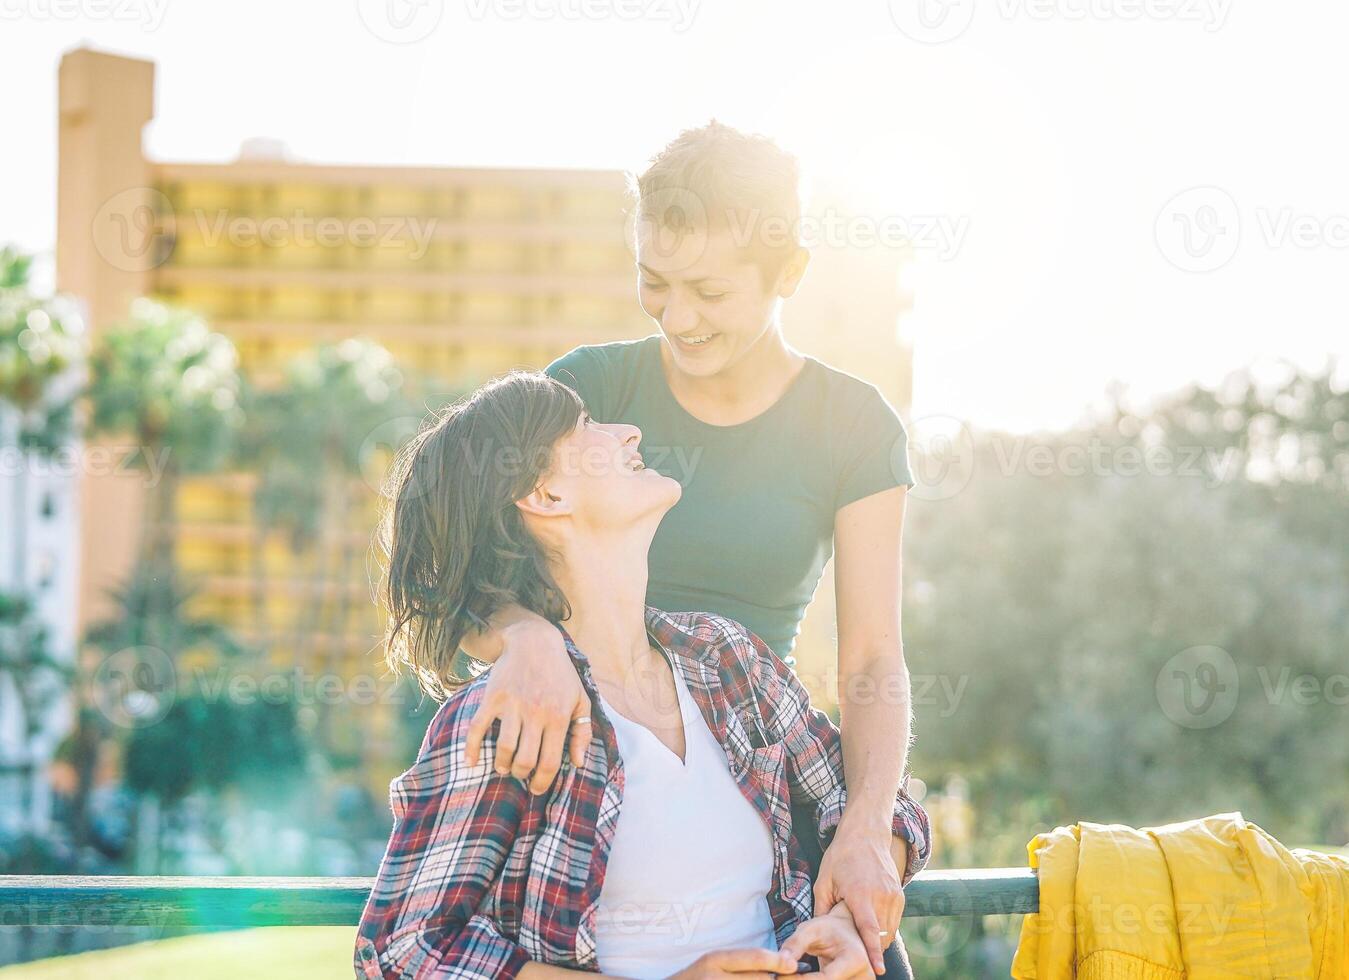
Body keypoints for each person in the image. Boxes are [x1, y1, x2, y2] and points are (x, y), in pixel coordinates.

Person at [458, 123, 924, 974]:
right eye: (653, 281)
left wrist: (863, 825)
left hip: (756, 759)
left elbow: (870, 654)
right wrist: (523, 635)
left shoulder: (854, 423)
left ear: (788, 275)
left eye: (709, 289)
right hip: (591, 764)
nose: (677, 316)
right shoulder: (589, 390)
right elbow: (465, 576)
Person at [355, 372, 930, 978]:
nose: (629, 432)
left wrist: (844, 921)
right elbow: (402, 951)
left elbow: (882, 808)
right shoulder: (510, 713)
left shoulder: (726, 660)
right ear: (546, 497)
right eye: (584, 428)